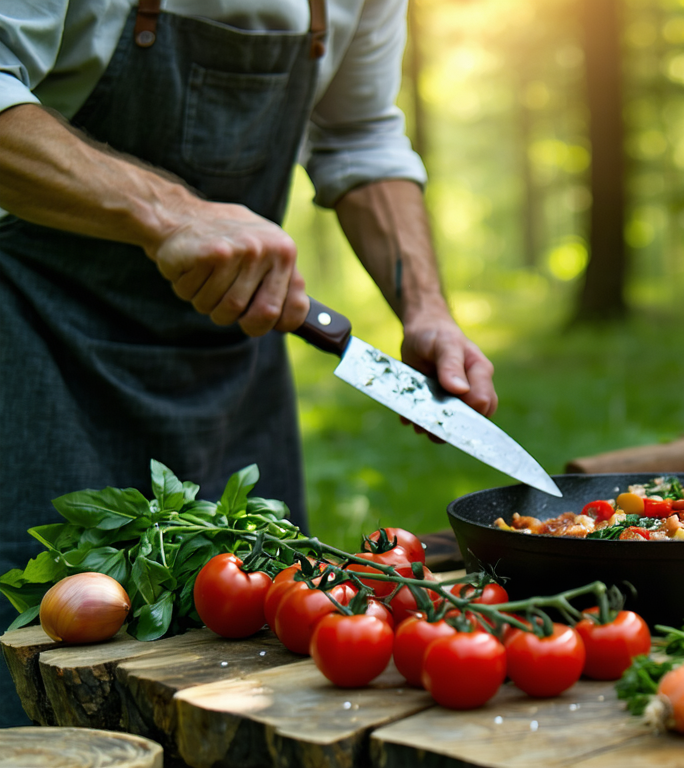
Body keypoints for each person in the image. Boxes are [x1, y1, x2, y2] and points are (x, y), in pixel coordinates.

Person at [0, 0, 496, 725]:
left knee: (259, 682)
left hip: (235, 363)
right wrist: (168, 212)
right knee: (36, 664)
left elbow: (360, 135)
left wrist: (425, 307)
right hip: (37, 343)